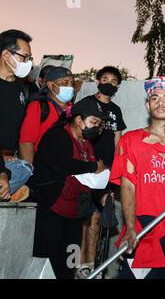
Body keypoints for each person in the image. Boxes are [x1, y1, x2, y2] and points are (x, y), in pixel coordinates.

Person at [110, 76, 165, 279]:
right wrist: (130, 228)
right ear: (148, 104)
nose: (160, 102)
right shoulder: (130, 140)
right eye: (155, 97)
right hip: (143, 230)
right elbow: (128, 187)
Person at [31, 98, 108, 279]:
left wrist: (102, 194)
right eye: (93, 122)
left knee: (68, 263)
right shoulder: (57, 135)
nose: (96, 128)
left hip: (75, 211)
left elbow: (89, 178)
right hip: (52, 208)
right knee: (47, 260)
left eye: (98, 124)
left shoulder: (87, 144)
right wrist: (94, 167)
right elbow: (61, 164)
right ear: (78, 120)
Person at [76, 66, 126, 276]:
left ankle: (89, 266)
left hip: (106, 172)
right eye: (104, 78)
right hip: (85, 167)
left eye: (113, 80)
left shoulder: (115, 110)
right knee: (83, 217)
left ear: (117, 86)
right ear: (97, 81)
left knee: (98, 217)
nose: (108, 82)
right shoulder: (86, 103)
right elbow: (73, 130)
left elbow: (118, 139)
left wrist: (117, 168)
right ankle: (78, 263)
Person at [0, 29, 34, 202]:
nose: (28, 63)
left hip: (9, 160)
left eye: (30, 59)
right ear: (6, 55)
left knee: (26, 167)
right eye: (24, 57)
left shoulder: (21, 89)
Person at [19, 67, 75, 164]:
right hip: (44, 168)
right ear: (50, 85)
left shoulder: (73, 109)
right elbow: (26, 141)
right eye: (65, 83)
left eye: (72, 83)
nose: (70, 87)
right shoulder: (38, 107)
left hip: (68, 167)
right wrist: (29, 170)